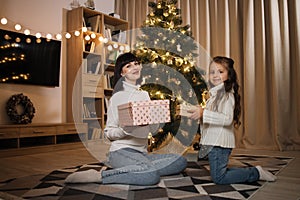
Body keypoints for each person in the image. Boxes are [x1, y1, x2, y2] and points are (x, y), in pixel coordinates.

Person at [65, 52, 187, 185]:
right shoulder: (118, 97)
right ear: (122, 73)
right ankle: (100, 176)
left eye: (136, 64)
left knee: (179, 161)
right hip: (121, 152)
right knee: (150, 176)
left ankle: (138, 169)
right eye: (128, 66)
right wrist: (126, 130)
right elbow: (109, 133)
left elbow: (151, 130)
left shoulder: (145, 95)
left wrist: (156, 121)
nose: (135, 67)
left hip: (142, 153)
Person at [188, 56, 277, 184]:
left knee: (219, 178)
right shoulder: (213, 95)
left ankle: (255, 173)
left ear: (229, 75)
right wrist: (200, 114)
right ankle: (251, 171)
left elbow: (227, 119)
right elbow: (210, 118)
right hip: (214, 143)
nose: (215, 75)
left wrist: (204, 113)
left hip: (220, 144)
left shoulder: (227, 95)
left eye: (220, 71)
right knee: (219, 172)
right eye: (212, 72)